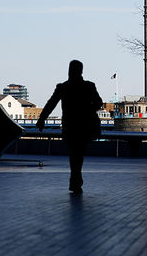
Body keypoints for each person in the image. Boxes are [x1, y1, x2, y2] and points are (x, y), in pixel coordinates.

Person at [37, 60, 103, 193]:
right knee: (78, 154)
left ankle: (75, 180)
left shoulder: (63, 87)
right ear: (81, 71)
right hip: (84, 125)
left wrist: (42, 119)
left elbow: (51, 104)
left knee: (74, 154)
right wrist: (87, 109)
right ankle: (76, 180)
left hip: (70, 125)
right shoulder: (89, 86)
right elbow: (99, 103)